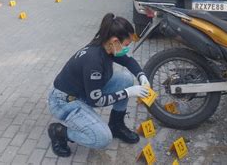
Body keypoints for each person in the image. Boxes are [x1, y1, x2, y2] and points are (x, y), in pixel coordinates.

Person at [47, 13, 150, 157]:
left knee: (126, 79)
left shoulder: (106, 45)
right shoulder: (94, 61)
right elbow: (96, 100)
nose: (127, 48)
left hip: (83, 91)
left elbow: (127, 61)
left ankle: (116, 125)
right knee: (102, 138)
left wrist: (142, 75)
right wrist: (128, 92)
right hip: (64, 101)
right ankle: (59, 132)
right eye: (126, 44)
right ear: (115, 41)